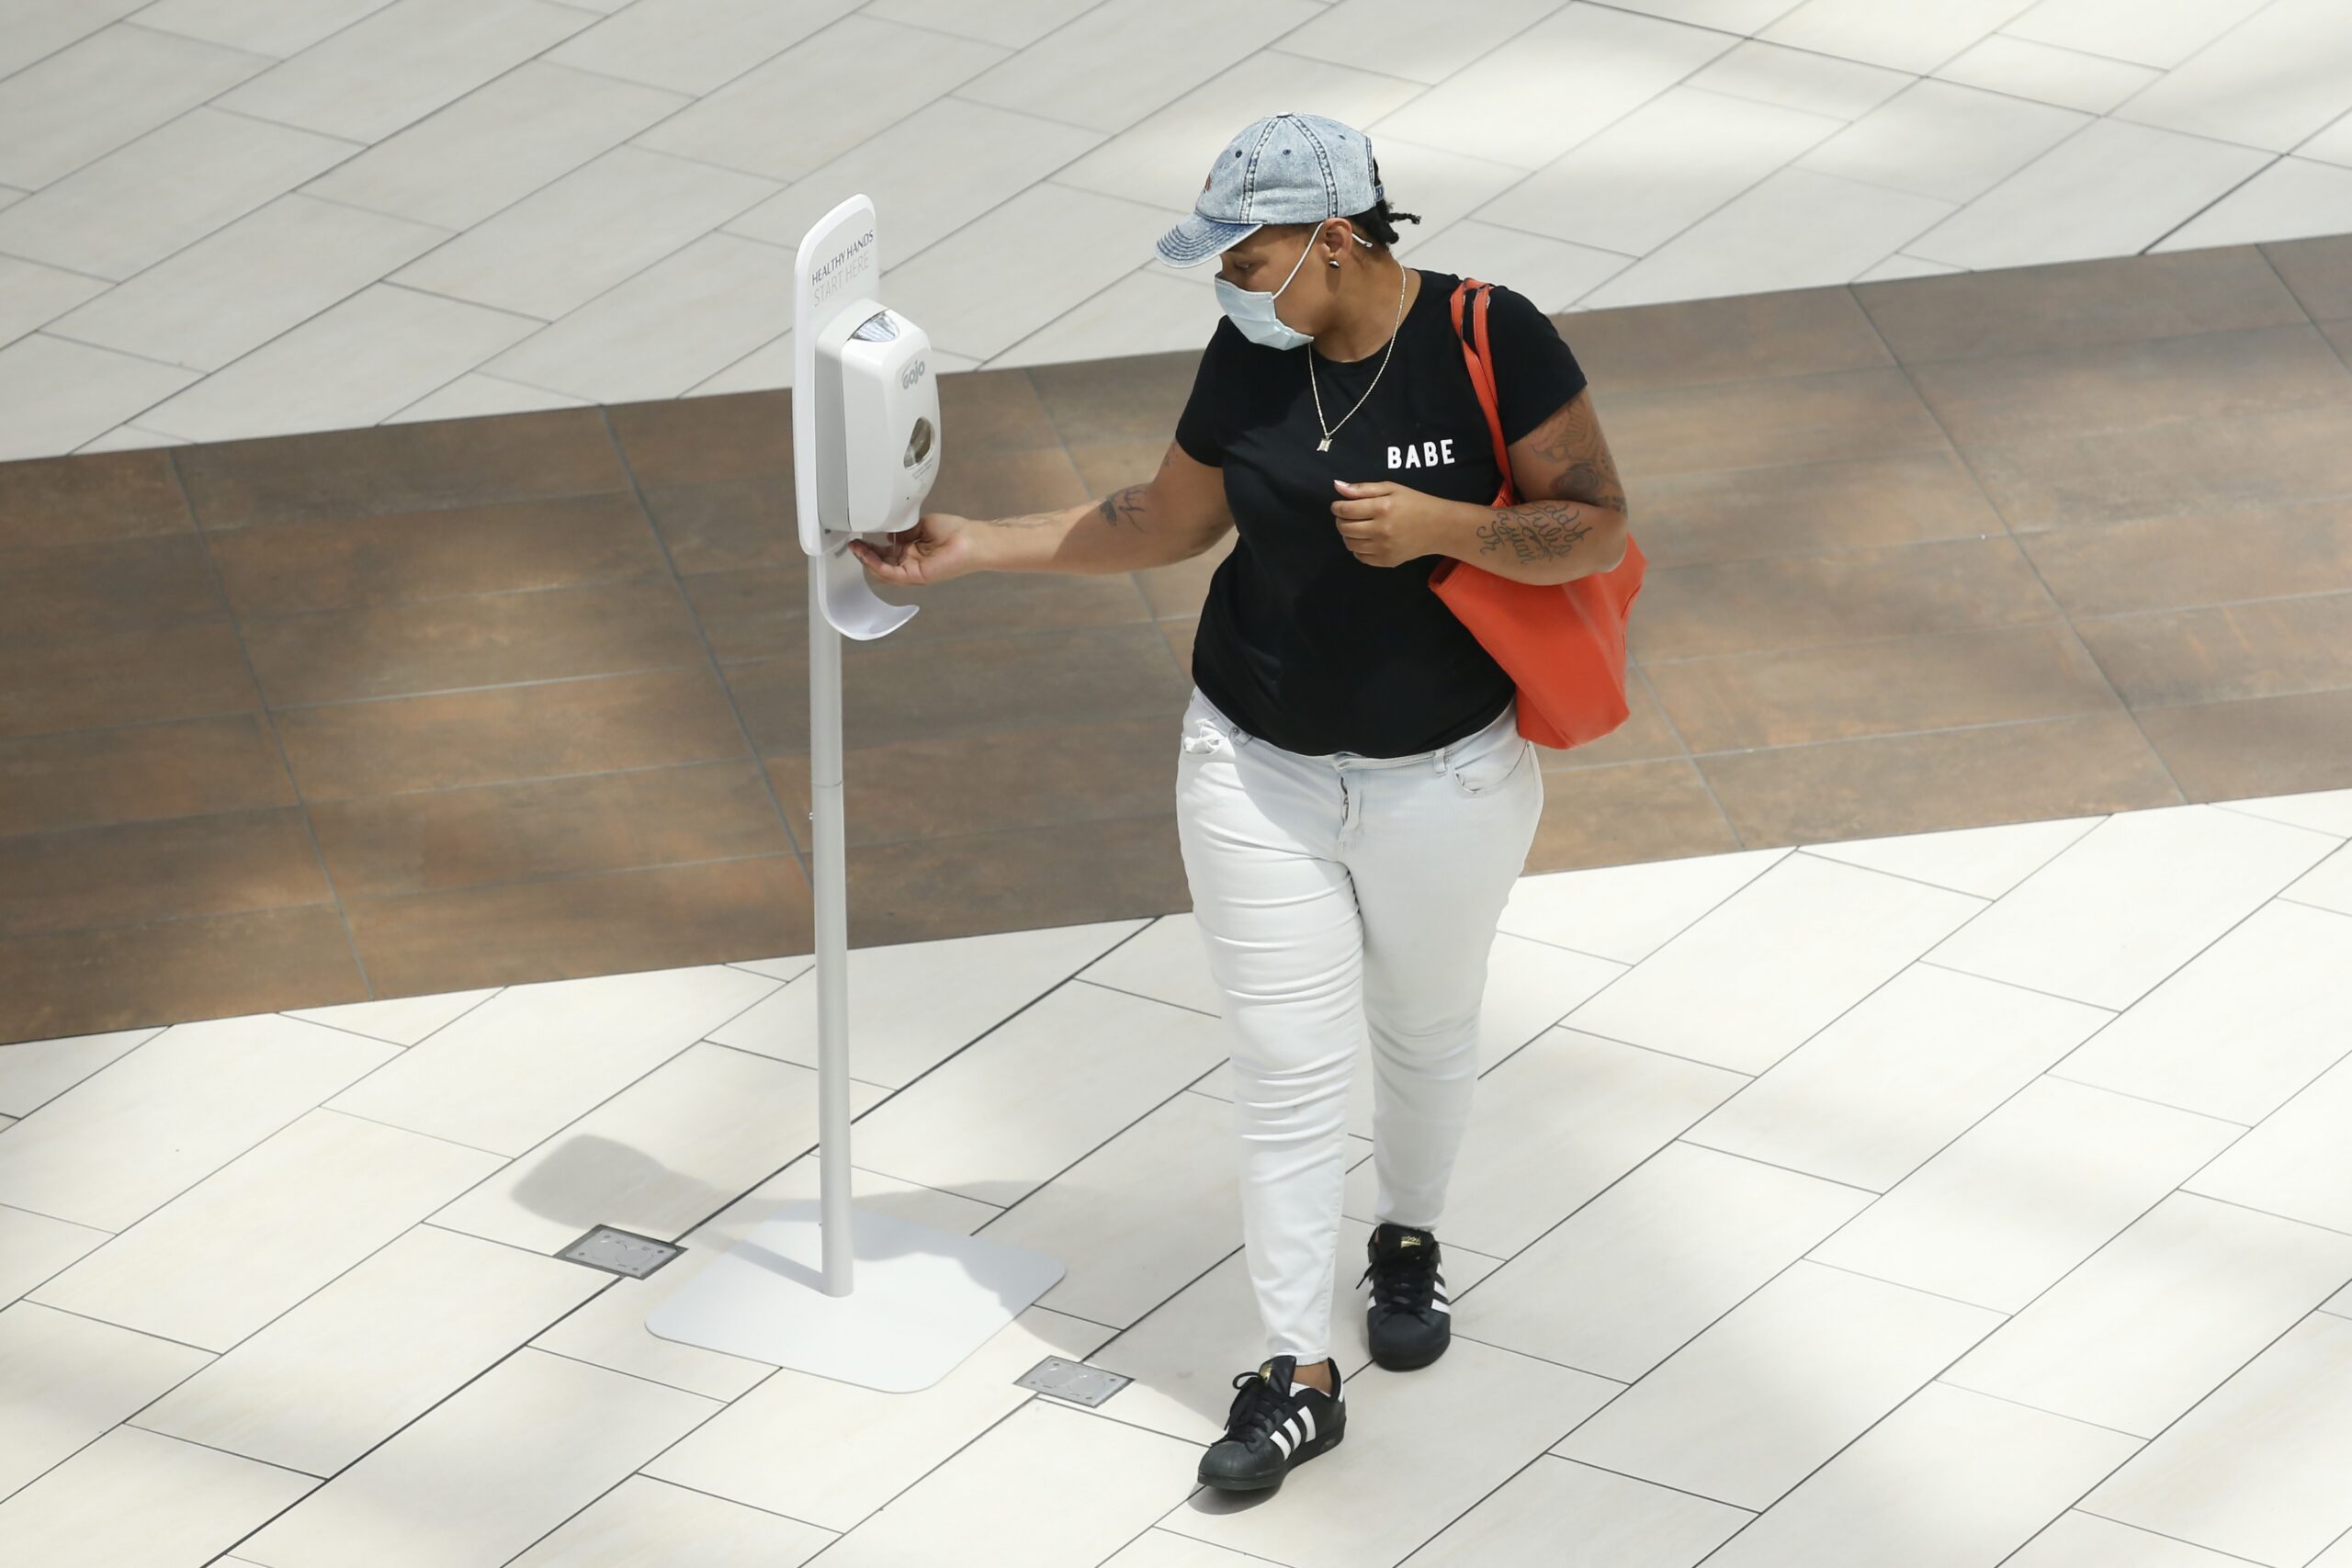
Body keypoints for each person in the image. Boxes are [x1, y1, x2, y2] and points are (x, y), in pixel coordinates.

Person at [848, 111, 1629, 1495]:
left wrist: (1445, 525)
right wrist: (977, 546)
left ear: (1336, 239)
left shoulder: (1490, 338)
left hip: (1444, 775)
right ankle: (1293, 1369)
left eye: (1246, 253)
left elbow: (1596, 524)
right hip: (1252, 764)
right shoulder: (1249, 351)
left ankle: (1409, 1241)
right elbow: (1165, 523)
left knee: (1427, 1028)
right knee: (1284, 1069)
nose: (1227, 280)